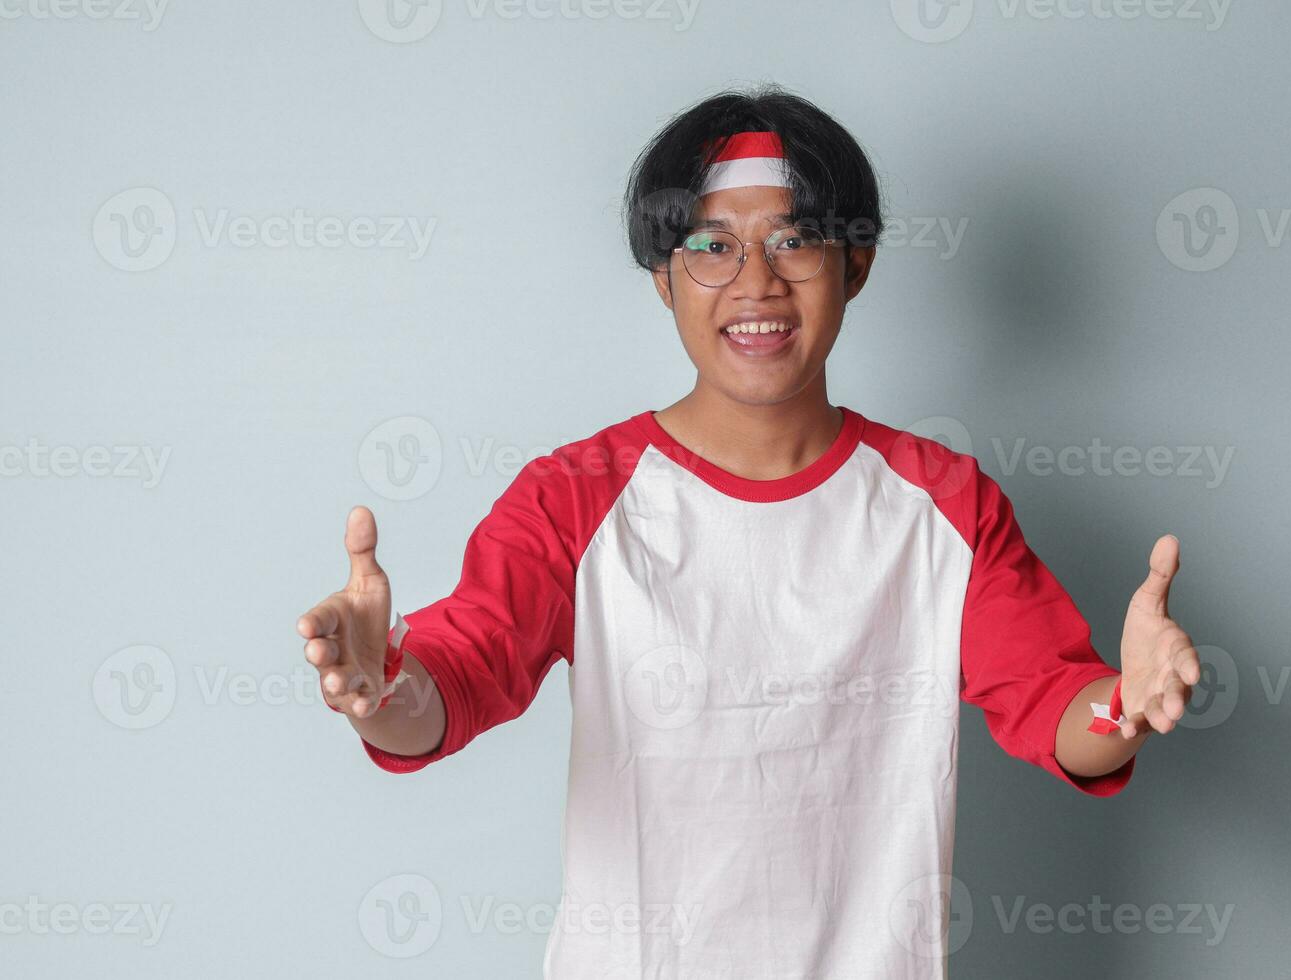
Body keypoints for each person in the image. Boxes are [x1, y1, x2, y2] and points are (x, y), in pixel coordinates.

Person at [296, 84, 1202, 978]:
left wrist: (1130, 699)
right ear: (663, 276)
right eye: (711, 246)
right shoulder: (574, 497)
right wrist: (384, 688)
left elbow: (1056, 707)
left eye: (795, 242)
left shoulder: (942, 502)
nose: (755, 283)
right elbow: (456, 681)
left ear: (857, 264)